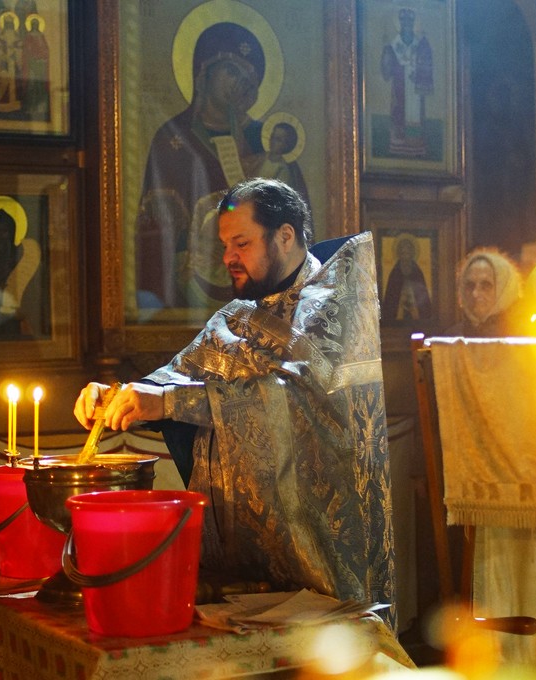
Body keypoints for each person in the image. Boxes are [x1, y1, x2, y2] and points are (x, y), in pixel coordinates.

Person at [74, 178, 396, 627]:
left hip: (320, 561)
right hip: (236, 559)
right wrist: (120, 395)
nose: (227, 257)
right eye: (225, 245)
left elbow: (290, 398)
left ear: (285, 235)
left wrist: (167, 402)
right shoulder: (236, 316)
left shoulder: (335, 305)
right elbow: (176, 380)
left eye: (241, 243)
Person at [135, 22, 308, 312]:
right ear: (205, 71)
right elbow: (153, 231)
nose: (238, 84)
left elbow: (297, 223)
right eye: (231, 71)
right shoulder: (173, 138)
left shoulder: (270, 140)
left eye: (246, 78)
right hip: (190, 292)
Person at [380, 7, 433, 157]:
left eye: (410, 22)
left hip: (415, 87)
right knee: (399, 111)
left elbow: (426, 64)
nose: (407, 25)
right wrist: (386, 54)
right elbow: (387, 69)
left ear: (413, 24)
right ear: (400, 24)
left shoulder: (420, 44)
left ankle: (416, 146)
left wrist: (420, 72)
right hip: (400, 86)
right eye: (404, 22)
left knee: (416, 114)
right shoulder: (393, 45)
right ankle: (398, 145)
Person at [444, 248, 524, 337]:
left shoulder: (525, 338)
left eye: (486, 286)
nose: (475, 293)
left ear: (505, 289)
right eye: (470, 286)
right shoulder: (452, 338)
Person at [381, 233, 433, 320]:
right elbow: (390, 299)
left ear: (412, 253)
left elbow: (423, 301)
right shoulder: (395, 273)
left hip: (417, 319)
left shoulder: (417, 272)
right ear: (399, 253)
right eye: (403, 252)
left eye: (408, 252)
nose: (405, 255)